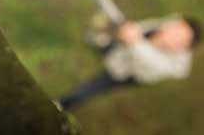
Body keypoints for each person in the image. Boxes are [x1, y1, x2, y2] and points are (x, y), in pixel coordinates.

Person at [59, 15, 202, 110]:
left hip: (128, 73)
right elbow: (140, 28)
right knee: (103, 43)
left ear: (184, 47)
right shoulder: (161, 26)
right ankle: (95, 42)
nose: (172, 33)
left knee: (89, 89)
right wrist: (129, 31)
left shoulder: (172, 66)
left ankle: (60, 105)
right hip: (123, 50)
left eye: (179, 37)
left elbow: (149, 61)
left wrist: (134, 41)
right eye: (176, 27)